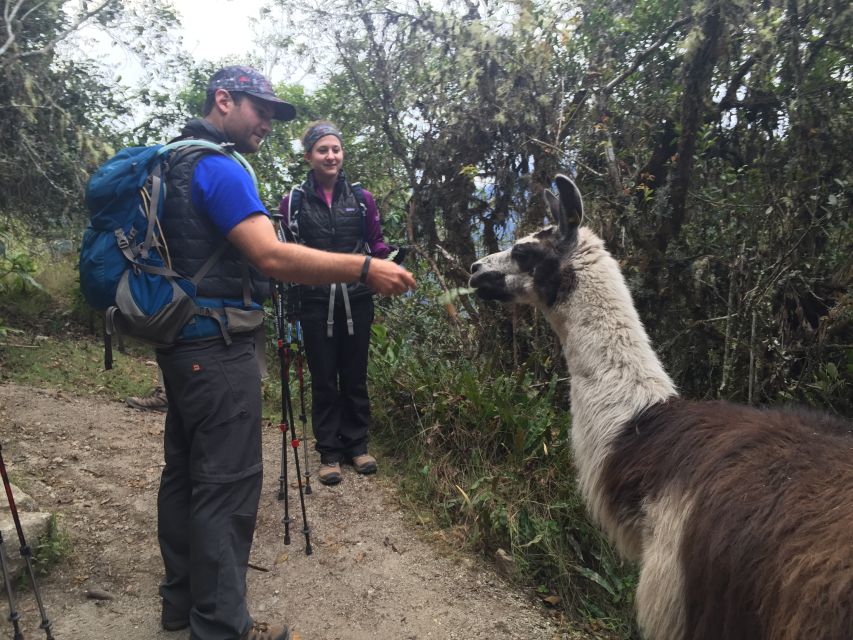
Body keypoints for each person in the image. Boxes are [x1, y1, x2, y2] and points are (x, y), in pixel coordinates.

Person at [153, 67, 415, 640]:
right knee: (226, 482)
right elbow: (271, 257)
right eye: (259, 109)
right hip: (218, 346)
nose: (267, 122)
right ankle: (221, 625)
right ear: (224, 100)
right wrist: (367, 267)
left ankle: (181, 606)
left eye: (273, 113)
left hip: (179, 341)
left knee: (185, 472)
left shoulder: (172, 158)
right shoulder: (217, 167)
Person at [278, 122, 393, 487]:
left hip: (357, 300)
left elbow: (375, 243)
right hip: (314, 301)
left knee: (355, 374)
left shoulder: (361, 198)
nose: (331, 156)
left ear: (342, 154)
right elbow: (287, 253)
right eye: (323, 150)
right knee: (324, 377)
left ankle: (357, 446)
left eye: (336, 149)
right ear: (309, 155)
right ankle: (329, 451)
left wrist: (387, 263)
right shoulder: (293, 202)